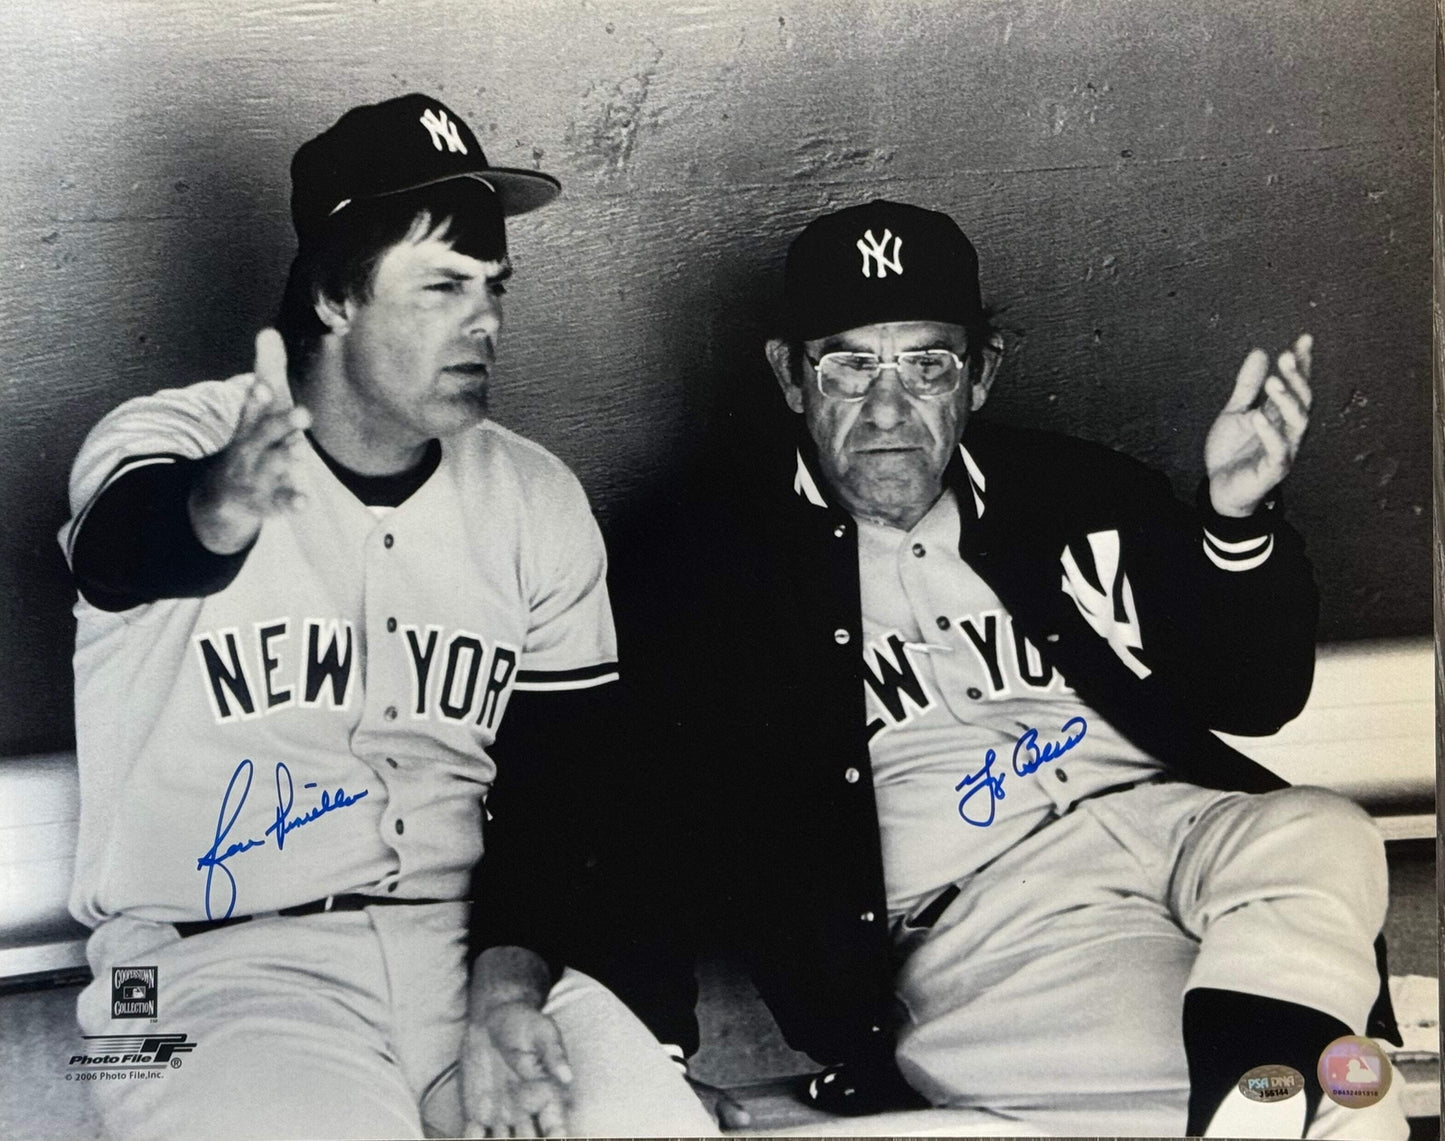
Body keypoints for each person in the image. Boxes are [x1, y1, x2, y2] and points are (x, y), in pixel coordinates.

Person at [604, 199, 1405, 1138]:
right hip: (984, 928)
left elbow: (1255, 696)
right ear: (790, 376)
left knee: (1321, 830)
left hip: (1179, 836)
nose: (888, 409)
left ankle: (1264, 1083)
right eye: (851, 364)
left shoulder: (1071, 492)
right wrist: (649, 1058)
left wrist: (1233, 522)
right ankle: (1277, 1088)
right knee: (1343, 1111)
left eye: (927, 364)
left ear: (980, 374)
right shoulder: (700, 566)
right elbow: (630, 815)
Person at [58, 93, 713, 1140]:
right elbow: (123, 548)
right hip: (192, 972)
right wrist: (217, 506)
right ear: (332, 296)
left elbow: (568, 797)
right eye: (442, 287)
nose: (487, 320)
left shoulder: (532, 495)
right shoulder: (177, 437)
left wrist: (505, 991)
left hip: (470, 956)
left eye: (494, 287)